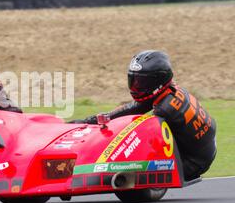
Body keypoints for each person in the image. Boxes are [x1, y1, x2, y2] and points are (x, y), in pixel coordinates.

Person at [70, 50, 217, 181]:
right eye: (133, 80)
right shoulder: (168, 91)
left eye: (142, 82)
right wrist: (92, 121)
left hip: (192, 162)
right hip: (200, 148)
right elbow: (133, 108)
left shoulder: (165, 109)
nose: (136, 86)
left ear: (157, 81)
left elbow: (136, 129)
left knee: (129, 162)